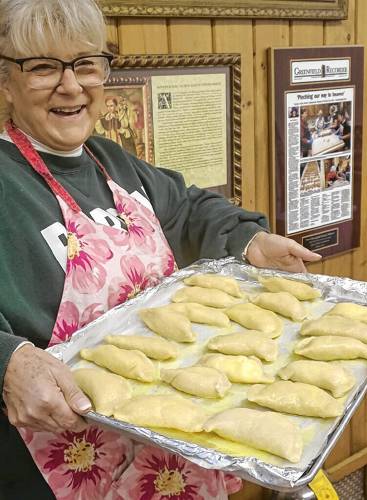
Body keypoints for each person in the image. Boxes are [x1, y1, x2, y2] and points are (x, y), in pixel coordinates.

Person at [0, 1, 322, 499]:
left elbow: (187, 209)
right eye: (43, 67)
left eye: (86, 64)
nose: (71, 85)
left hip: (165, 457)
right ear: (6, 80)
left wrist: (248, 238)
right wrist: (8, 359)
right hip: (57, 466)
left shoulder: (110, 161)